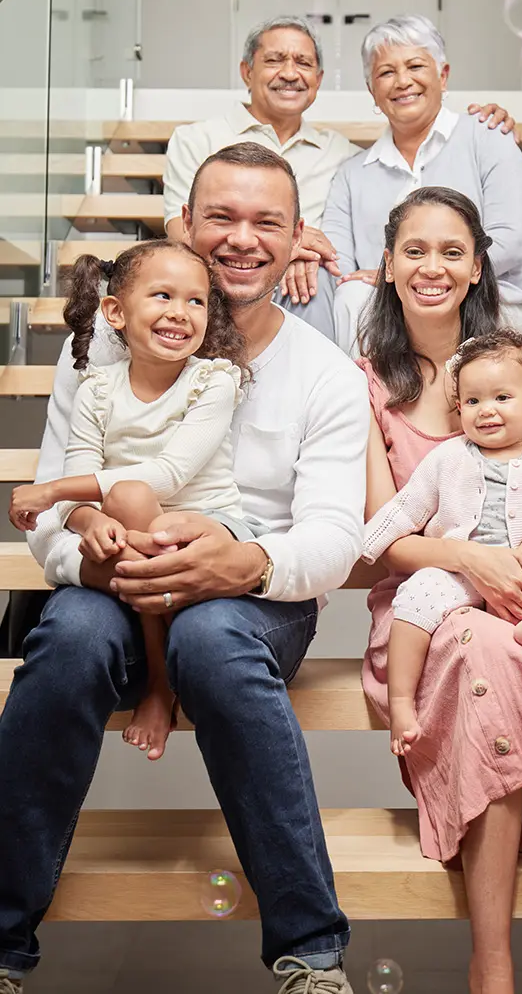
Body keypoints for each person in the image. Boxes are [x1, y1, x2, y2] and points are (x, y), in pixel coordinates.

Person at [0, 143, 370, 993]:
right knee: (69, 644)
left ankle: (311, 953)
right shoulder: (97, 350)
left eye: (266, 222)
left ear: (295, 238)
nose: (242, 239)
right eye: (221, 218)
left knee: (210, 640)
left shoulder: (324, 377)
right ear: (185, 226)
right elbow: (53, 516)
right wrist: (102, 567)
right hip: (115, 579)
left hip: (253, 597)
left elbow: (330, 540)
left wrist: (243, 561)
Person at [359, 185, 522, 994]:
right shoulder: (367, 381)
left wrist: (520, 569)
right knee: (483, 654)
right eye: (415, 250)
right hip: (428, 604)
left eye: (452, 250)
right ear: (388, 266)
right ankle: (491, 956)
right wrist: (473, 566)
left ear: (476, 266)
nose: (433, 266)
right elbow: (380, 537)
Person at [9, 240, 253, 762]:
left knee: (135, 492)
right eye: (162, 295)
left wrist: (56, 494)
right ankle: (159, 677)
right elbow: (82, 470)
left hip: (205, 525)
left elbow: (166, 476)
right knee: (118, 514)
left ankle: (161, 682)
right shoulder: (97, 388)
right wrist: (87, 520)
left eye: (195, 301)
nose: (180, 313)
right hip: (130, 532)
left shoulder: (215, 380)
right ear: (115, 312)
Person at [163, 14, 515, 342]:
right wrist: (289, 248)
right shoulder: (197, 140)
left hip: (304, 286)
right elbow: (184, 232)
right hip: (224, 274)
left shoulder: (342, 154)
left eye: (303, 63)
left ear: (318, 79)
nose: (289, 73)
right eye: (274, 60)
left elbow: (336, 252)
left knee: (312, 285)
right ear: (246, 71)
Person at [361, 327, 522, 757]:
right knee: (415, 597)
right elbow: (406, 508)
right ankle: (401, 703)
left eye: (501, 398)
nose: (486, 411)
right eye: (472, 402)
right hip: (461, 572)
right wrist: (368, 542)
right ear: (459, 408)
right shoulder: (447, 458)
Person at [321, 15, 522, 354]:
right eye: (386, 72)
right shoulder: (352, 174)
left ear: (442, 76)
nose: (402, 81)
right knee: (352, 296)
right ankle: (365, 407)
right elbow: (339, 262)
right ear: (372, 90)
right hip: (393, 312)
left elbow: (510, 240)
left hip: (489, 301)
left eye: (415, 66)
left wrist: (436, 276)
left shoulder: (489, 137)